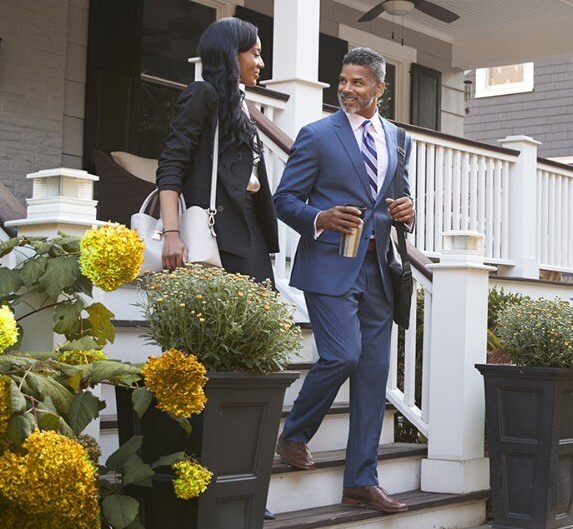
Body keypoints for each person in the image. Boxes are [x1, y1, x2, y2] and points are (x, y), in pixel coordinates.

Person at [272, 47, 415, 514]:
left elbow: (397, 196)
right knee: (341, 354)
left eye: (358, 83)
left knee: (374, 376)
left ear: (380, 89)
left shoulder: (398, 138)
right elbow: (285, 199)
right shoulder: (316, 135)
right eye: (343, 81)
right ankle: (293, 435)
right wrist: (320, 218)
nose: (348, 90)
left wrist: (407, 212)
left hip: (378, 269)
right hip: (330, 265)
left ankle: (361, 480)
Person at [155, 17, 278, 285]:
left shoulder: (240, 104)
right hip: (216, 225)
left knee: (259, 314)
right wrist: (172, 233)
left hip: (247, 220)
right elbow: (171, 164)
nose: (261, 63)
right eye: (255, 54)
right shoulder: (202, 94)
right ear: (231, 53)